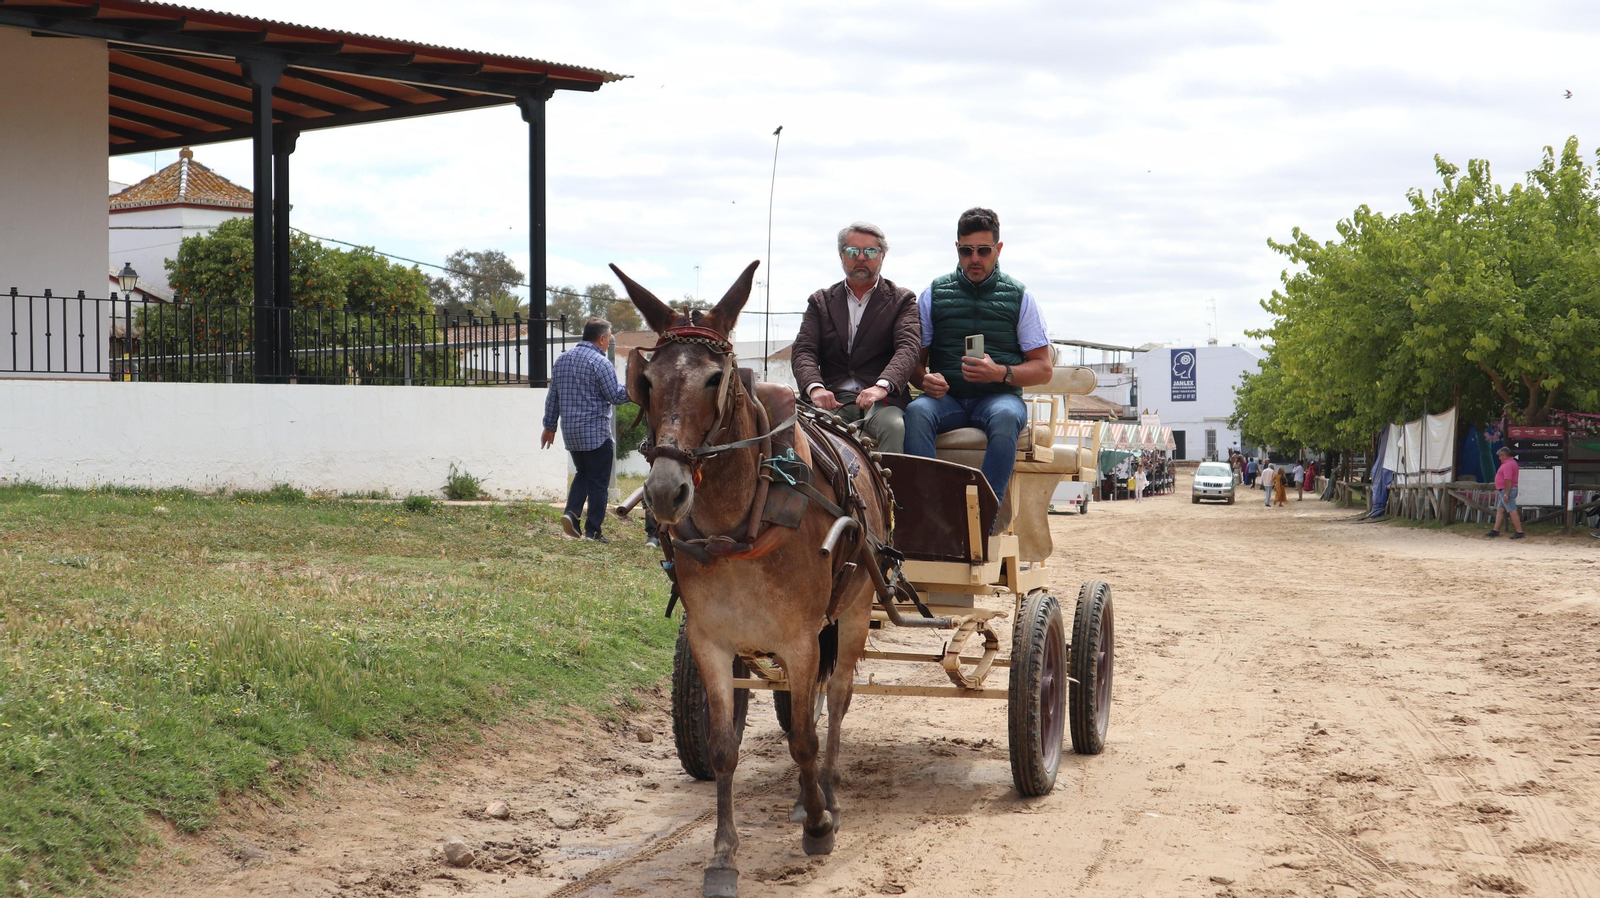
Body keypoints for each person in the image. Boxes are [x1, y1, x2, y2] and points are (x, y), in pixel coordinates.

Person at [904, 208, 1052, 509]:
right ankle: (930, 515)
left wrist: (999, 373)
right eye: (966, 251)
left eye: (983, 250)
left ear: (998, 250)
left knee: (1007, 417)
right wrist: (924, 380)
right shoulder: (933, 294)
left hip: (999, 398)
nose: (975, 259)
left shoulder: (1020, 296)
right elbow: (913, 362)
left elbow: (1043, 369)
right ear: (957, 248)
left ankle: (985, 516)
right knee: (917, 412)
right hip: (948, 400)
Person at [790, 221, 922, 453]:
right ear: (842, 255)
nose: (861, 257)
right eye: (853, 251)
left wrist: (882, 386)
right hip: (832, 398)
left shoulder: (902, 300)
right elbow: (804, 350)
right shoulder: (820, 302)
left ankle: (892, 490)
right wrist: (815, 388)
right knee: (801, 430)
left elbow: (908, 347)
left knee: (895, 427)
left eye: (870, 251)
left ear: (882, 256)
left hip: (882, 401)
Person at [541, 317, 630, 543]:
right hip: (596, 434)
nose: (609, 342)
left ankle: (571, 513)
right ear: (602, 338)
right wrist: (636, 389)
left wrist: (549, 426)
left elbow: (553, 396)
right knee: (599, 482)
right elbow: (615, 396)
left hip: (571, 432)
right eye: (609, 338)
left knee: (583, 473)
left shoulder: (562, 360)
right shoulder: (601, 363)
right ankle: (593, 532)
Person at [1487, 446, 1525, 539]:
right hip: (1505, 490)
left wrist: (1506, 494)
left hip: (1507, 490)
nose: (1499, 458)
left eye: (1500, 456)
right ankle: (1495, 530)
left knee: (1512, 510)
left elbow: (1508, 480)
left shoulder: (1508, 465)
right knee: (1500, 509)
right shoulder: (1509, 463)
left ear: (1504, 455)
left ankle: (1519, 532)